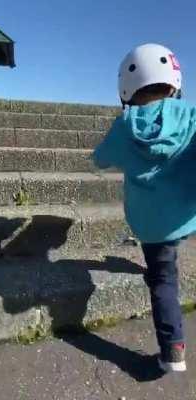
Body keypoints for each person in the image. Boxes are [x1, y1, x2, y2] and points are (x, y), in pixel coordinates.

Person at [93, 43, 196, 373]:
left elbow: (100, 160)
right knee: (168, 261)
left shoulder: (125, 126)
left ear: (126, 88)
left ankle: (173, 350)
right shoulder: (192, 116)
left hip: (152, 225)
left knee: (163, 279)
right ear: (174, 82)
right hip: (187, 210)